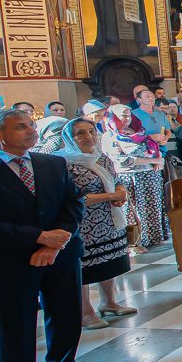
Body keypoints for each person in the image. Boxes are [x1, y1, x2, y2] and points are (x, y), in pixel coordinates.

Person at [0, 108, 96, 362]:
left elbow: (73, 202)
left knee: (65, 311)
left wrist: (58, 240)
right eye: (21, 127)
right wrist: (39, 237)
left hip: (61, 253)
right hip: (10, 258)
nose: (31, 130)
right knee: (16, 322)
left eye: (31, 125)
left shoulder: (51, 163)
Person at [57, 119, 136, 330]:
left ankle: (109, 302)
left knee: (110, 262)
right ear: (70, 138)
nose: (88, 137)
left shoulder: (102, 158)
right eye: (81, 133)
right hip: (84, 225)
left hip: (109, 220)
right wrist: (111, 196)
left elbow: (116, 180)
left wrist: (121, 192)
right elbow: (76, 197)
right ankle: (86, 312)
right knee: (85, 268)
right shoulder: (63, 162)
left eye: (91, 131)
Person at [104, 105, 170, 247]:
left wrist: (159, 159)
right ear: (113, 117)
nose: (127, 118)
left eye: (129, 115)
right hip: (129, 177)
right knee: (133, 210)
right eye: (123, 115)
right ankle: (136, 242)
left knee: (152, 207)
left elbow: (153, 148)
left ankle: (154, 237)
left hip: (150, 176)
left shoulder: (137, 131)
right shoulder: (110, 136)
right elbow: (121, 160)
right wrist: (152, 161)